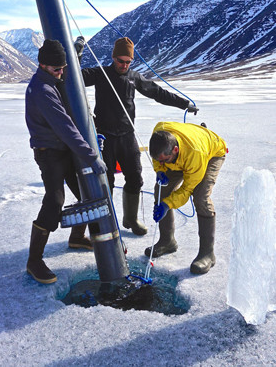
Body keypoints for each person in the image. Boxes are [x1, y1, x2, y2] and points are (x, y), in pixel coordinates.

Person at [81, 37, 198, 236]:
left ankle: (131, 220)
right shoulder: (101, 74)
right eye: (120, 61)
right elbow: (76, 76)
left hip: (127, 137)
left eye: (128, 61)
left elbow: (158, 93)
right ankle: (106, 225)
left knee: (135, 178)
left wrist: (183, 104)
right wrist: (77, 53)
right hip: (104, 138)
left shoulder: (134, 77)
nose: (124, 65)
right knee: (106, 183)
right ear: (113, 57)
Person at [25, 39, 107, 284]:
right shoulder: (42, 90)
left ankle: (76, 238)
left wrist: (76, 55)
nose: (62, 74)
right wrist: (91, 156)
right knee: (54, 200)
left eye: (63, 68)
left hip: (63, 150)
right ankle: (34, 260)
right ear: (43, 65)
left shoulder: (51, 80)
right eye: (57, 70)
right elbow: (65, 127)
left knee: (85, 192)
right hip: (49, 152)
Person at [145, 121, 227, 274]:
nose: (160, 162)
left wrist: (166, 205)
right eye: (158, 159)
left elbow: (187, 189)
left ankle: (208, 254)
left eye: (164, 160)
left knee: (200, 197)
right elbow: (159, 158)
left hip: (210, 154)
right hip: (182, 156)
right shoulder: (159, 133)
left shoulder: (196, 154)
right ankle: (167, 241)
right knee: (161, 190)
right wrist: (159, 170)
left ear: (175, 150)